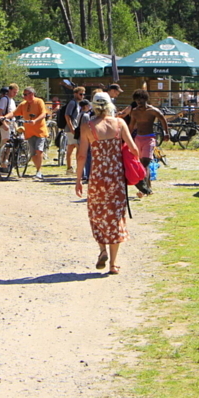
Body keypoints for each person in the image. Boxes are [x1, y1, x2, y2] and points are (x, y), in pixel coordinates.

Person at [75, 92, 137, 275]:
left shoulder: (88, 127)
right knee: (116, 216)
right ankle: (114, 264)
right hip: (116, 177)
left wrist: (78, 180)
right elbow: (133, 148)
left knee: (97, 214)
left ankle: (102, 249)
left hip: (97, 177)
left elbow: (81, 156)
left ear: (93, 106)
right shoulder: (119, 123)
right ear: (110, 105)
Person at [127, 89, 169, 196]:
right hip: (138, 138)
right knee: (140, 163)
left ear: (145, 99)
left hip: (149, 138)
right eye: (137, 102)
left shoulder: (152, 111)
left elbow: (162, 119)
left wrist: (166, 133)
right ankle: (146, 188)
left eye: (141, 101)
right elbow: (131, 126)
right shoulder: (135, 111)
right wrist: (126, 138)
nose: (139, 104)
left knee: (145, 161)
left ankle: (143, 187)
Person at [6, 87, 48, 180]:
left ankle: (39, 171)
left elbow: (43, 114)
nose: (24, 96)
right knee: (33, 153)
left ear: (31, 94)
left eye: (25, 94)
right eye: (23, 94)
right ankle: (37, 170)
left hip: (40, 131)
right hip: (29, 132)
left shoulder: (39, 101)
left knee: (39, 150)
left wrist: (36, 120)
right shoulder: (23, 104)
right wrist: (4, 117)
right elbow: (14, 113)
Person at [63, 86, 85, 173]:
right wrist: (71, 127)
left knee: (72, 148)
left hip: (76, 128)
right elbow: (67, 115)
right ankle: (74, 168)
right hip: (72, 128)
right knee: (76, 147)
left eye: (83, 94)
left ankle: (71, 167)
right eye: (80, 94)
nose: (82, 96)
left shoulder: (79, 103)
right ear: (75, 94)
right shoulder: (72, 103)